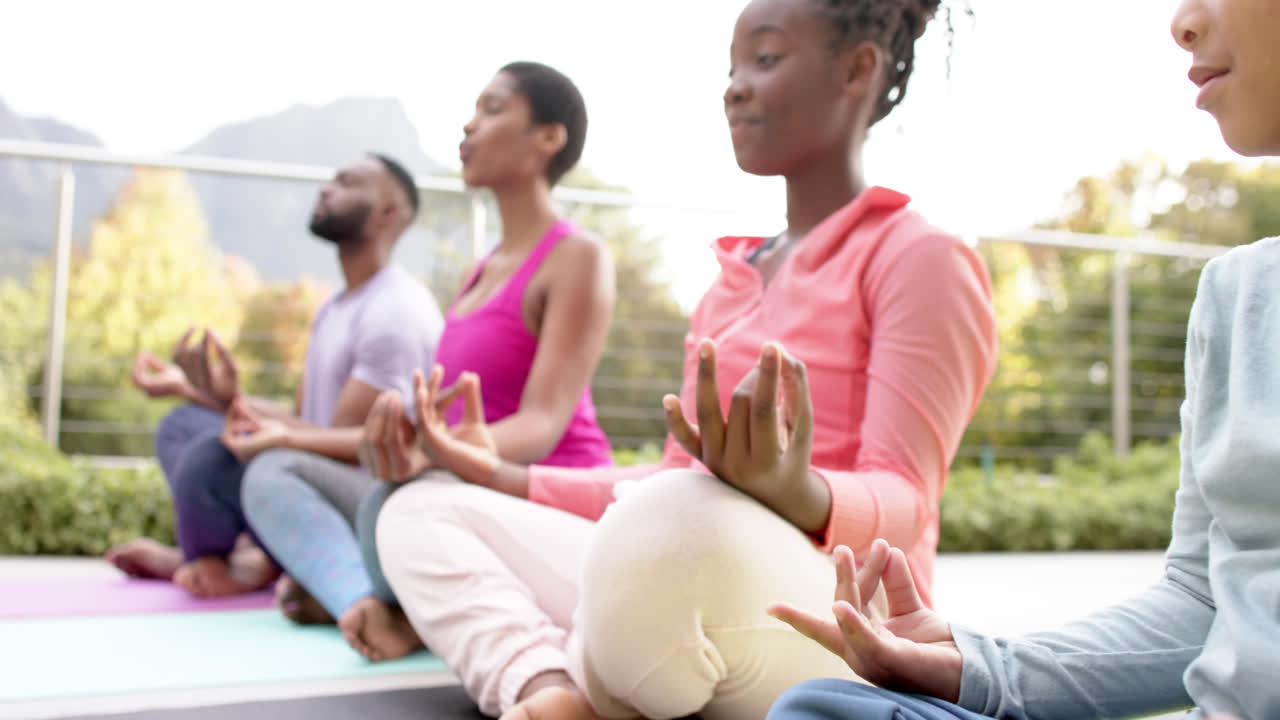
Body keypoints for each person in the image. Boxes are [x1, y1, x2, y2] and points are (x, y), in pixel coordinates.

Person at [371, 0, 999, 717]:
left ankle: (594, 669)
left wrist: (801, 494)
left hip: (843, 615)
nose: (734, 86)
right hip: (680, 569)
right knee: (420, 510)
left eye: (764, 59)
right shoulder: (730, 284)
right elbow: (669, 479)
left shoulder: (921, 257)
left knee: (669, 523)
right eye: (731, 68)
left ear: (857, 70)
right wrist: (494, 472)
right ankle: (545, 690)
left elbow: (905, 504)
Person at [764, 0, 1280, 718]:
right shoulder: (1235, 294)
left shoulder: (919, 256)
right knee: (822, 710)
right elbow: (1200, 603)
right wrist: (971, 666)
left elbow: (900, 494)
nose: (1184, 23)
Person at [240, 60, 616, 663]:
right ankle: (371, 603)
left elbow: (543, 423)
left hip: (541, 494)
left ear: (548, 139)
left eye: (493, 109)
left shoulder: (577, 257)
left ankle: (374, 602)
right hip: (454, 481)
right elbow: (438, 426)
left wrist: (439, 452)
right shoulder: (476, 274)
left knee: (392, 508)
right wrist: (405, 442)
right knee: (278, 475)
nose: (469, 126)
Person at [105, 153, 443, 598]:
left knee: (212, 457)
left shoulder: (395, 311)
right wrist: (203, 392)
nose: (327, 188)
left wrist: (261, 430)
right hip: (302, 460)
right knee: (183, 425)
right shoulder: (334, 307)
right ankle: (243, 559)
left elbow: (341, 448)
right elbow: (301, 419)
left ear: (389, 212)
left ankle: (228, 564)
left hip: (346, 494)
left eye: (347, 182)